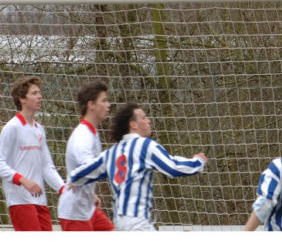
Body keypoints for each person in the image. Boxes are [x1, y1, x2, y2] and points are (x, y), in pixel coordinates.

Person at [69, 102, 208, 231]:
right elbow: (172, 167)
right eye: (144, 117)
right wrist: (198, 162)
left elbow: (84, 171)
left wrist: (73, 179)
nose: (148, 120)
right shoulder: (145, 145)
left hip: (119, 222)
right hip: (138, 223)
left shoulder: (111, 153)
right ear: (133, 125)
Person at [0, 76, 65, 231]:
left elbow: (47, 167)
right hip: (20, 201)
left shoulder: (39, 129)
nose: (40, 96)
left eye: (39, 93)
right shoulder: (12, 128)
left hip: (40, 201)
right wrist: (22, 180)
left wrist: (63, 189)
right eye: (34, 93)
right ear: (22, 99)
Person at [57, 80, 115, 231]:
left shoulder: (92, 132)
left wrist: (91, 192)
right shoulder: (83, 135)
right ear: (91, 105)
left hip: (88, 208)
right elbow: (88, 167)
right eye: (104, 100)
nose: (108, 105)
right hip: (74, 213)